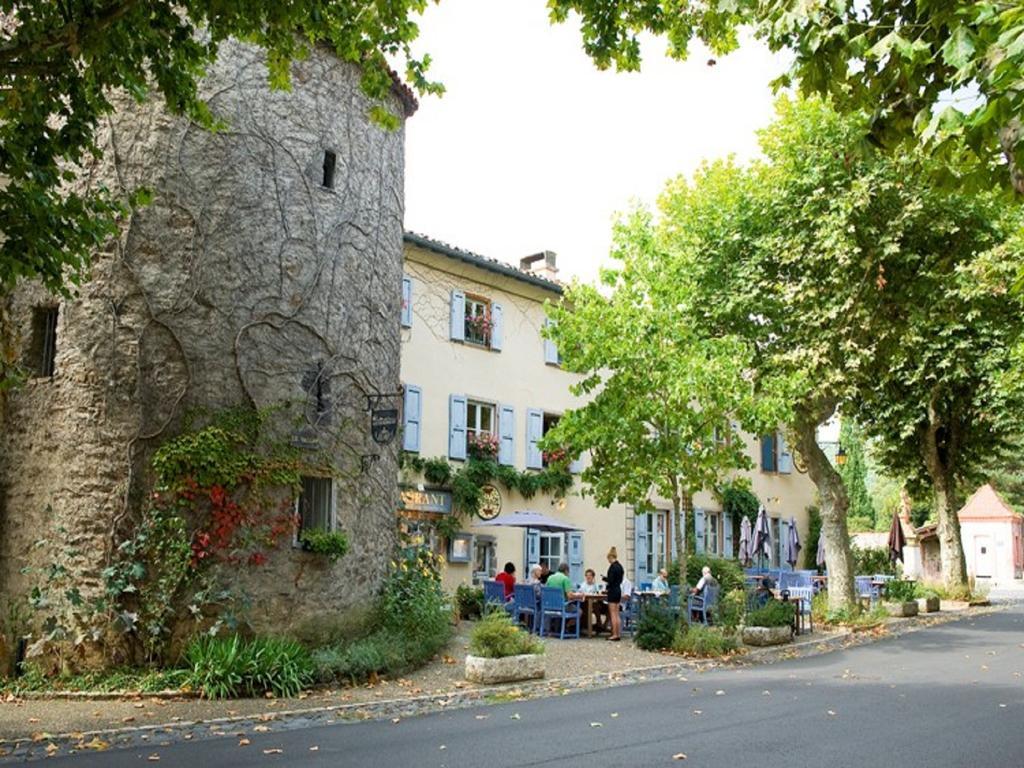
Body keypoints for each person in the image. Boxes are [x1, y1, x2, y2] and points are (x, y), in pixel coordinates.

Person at [603, 546, 624, 641]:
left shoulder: (612, 567)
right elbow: (620, 579)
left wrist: (604, 579)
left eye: (608, 559)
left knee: (612, 614)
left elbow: (610, 580)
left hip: (612, 591)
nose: (608, 561)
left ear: (611, 557)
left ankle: (614, 634)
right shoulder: (620, 566)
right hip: (618, 590)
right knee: (617, 613)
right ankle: (618, 633)